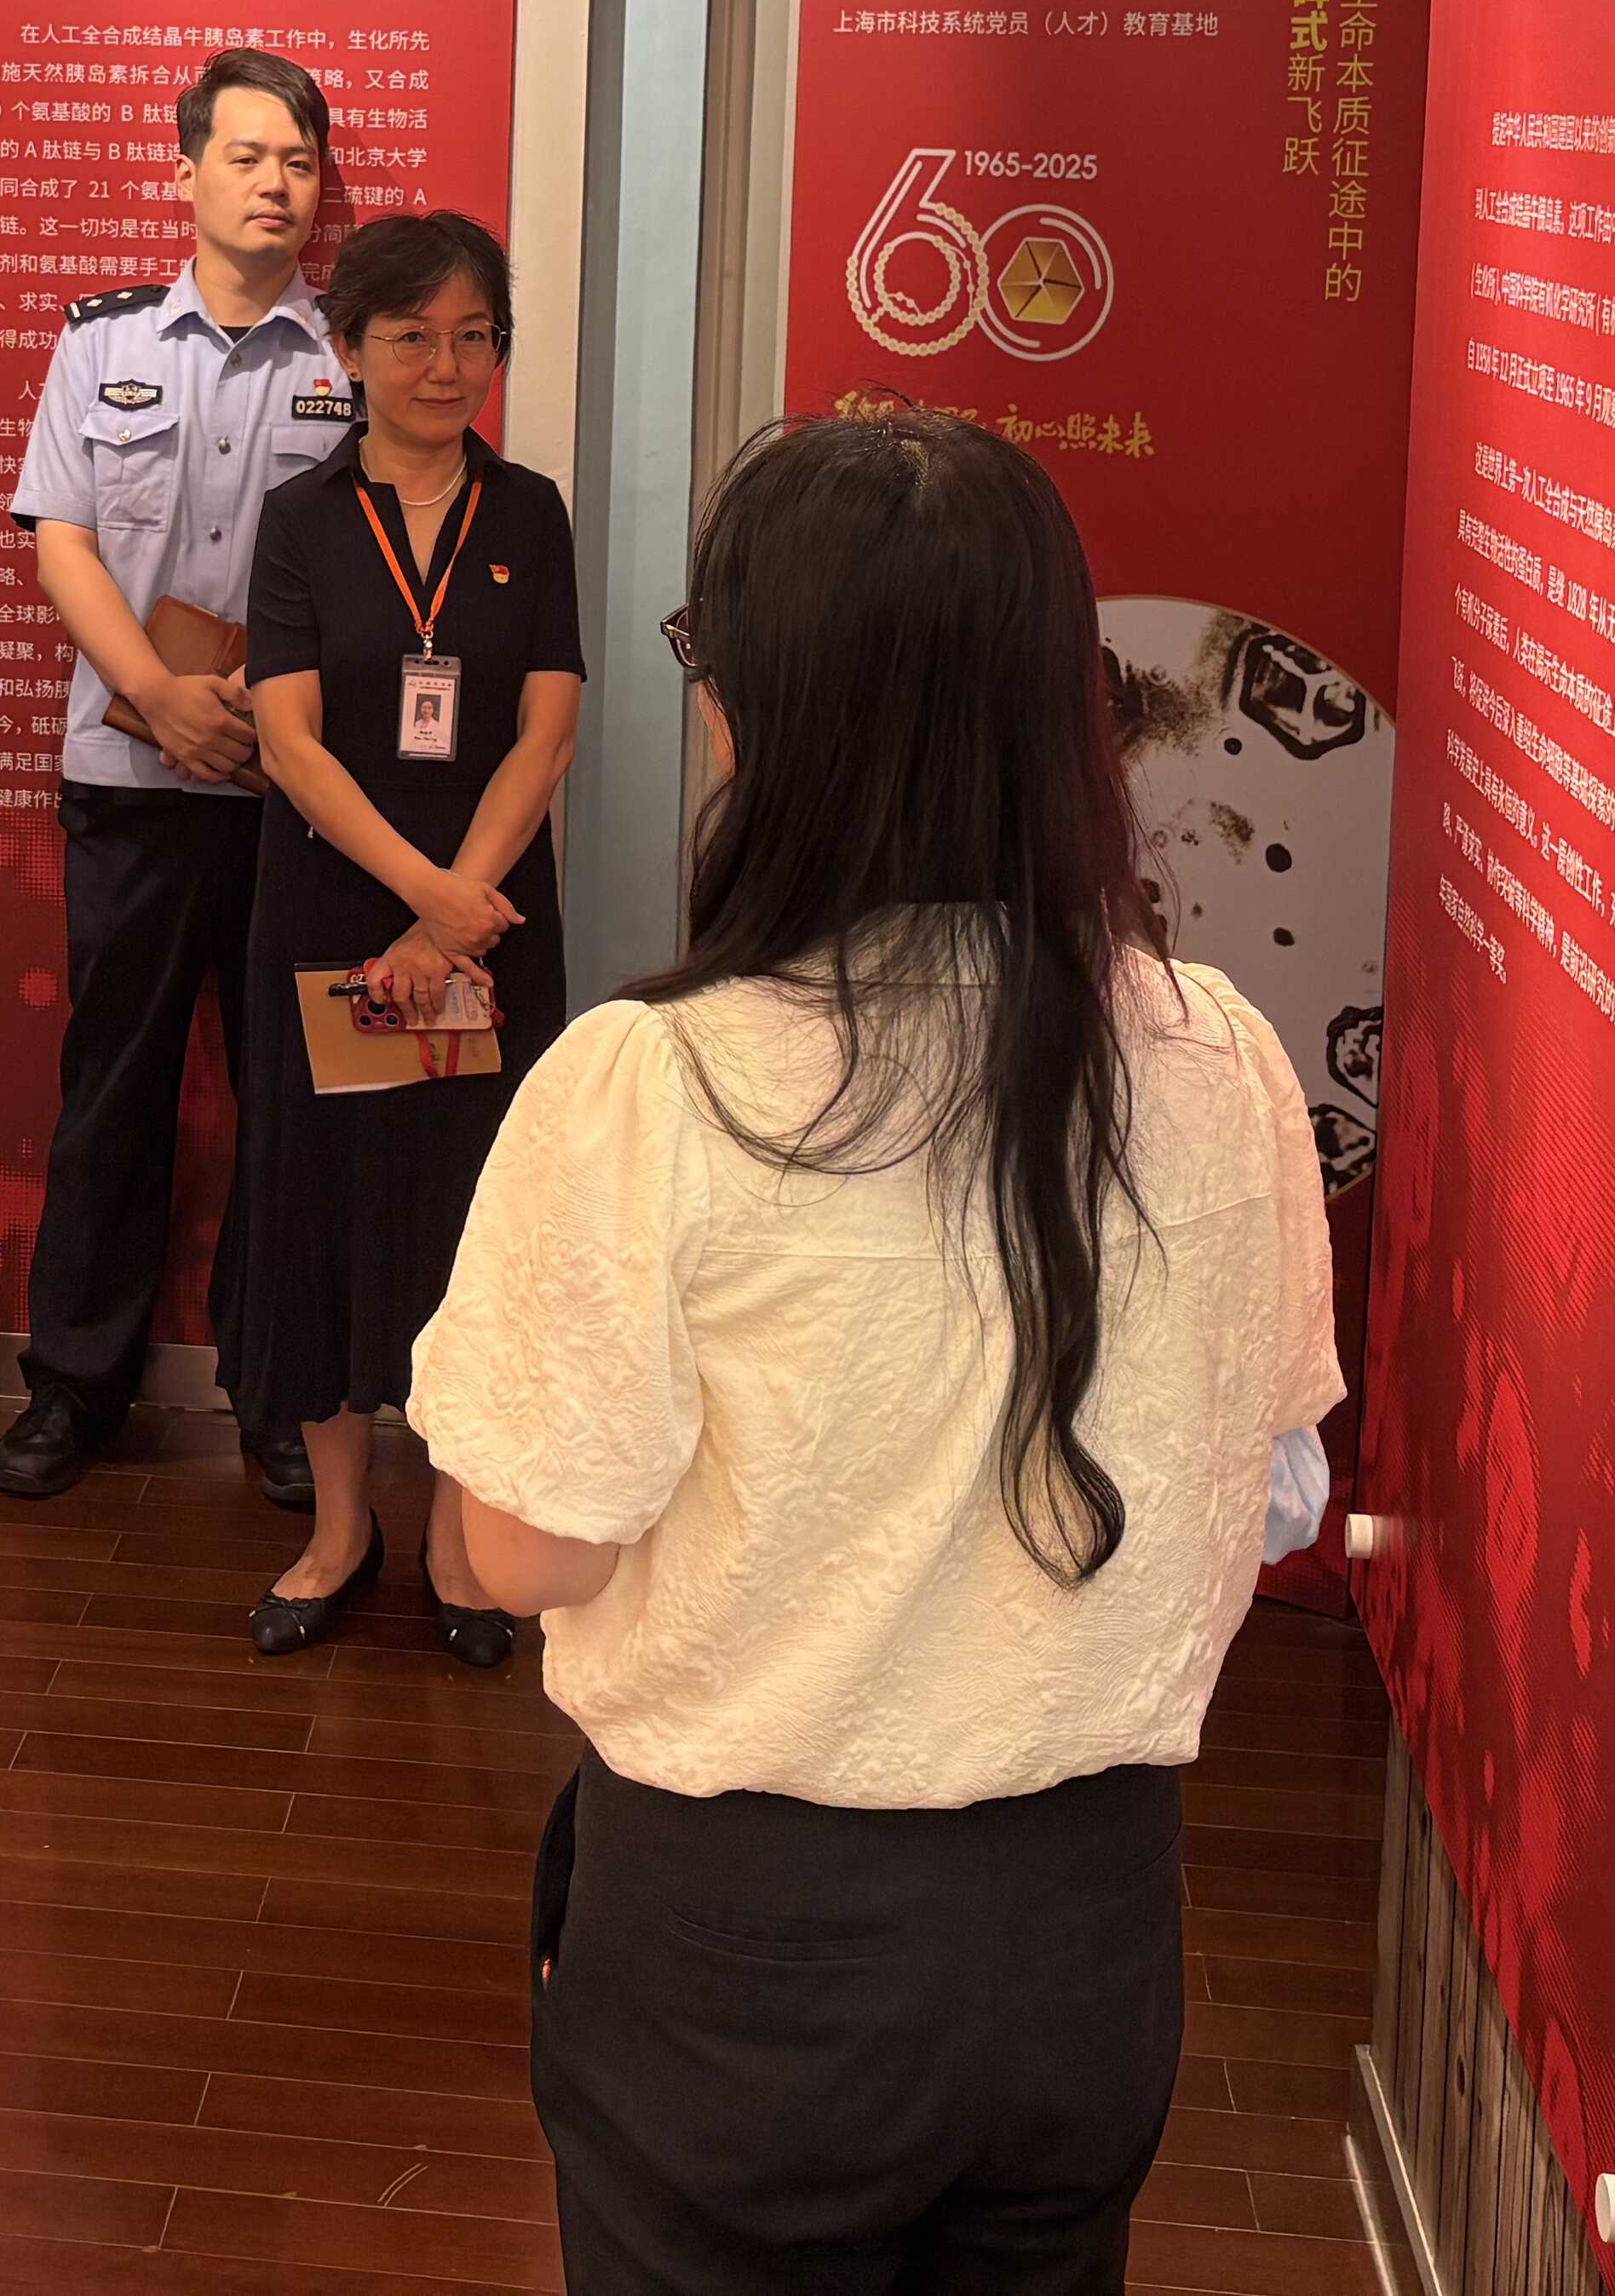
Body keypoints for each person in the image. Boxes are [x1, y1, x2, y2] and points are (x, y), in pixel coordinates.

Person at [412, 412, 1341, 2293]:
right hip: (1090, 1941)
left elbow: (525, 1550)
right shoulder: (1220, 1054)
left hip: (750, 1954)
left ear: (761, 715)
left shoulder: (653, 1082)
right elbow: (1269, 1493)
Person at [0, 46, 364, 1507]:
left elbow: (376, 573)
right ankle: (72, 1388)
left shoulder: (350, 358)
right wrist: (156, 700)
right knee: (114, 1091)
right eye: (248, 156)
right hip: (131, 778)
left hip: (294, 790)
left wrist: (261, 725)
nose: (276, 184)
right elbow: (62, 540)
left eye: (299, 162)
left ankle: (278, 1393)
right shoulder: (101, 344)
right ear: (187, 170)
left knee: (290, 1101)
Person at [227, 211, 578, 1664]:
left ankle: (452, 1532)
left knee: (470, 1218)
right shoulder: (303, 519)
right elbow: (291, 741)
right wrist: (419, 898)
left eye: (473, 335)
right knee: (320, 1210)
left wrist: (453, 911)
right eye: (412, 335)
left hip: (488, 923)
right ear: (350, 350)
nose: (447, 365)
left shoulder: (531, 513)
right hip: (333, 907)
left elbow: (545, 729)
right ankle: (337, 1527)